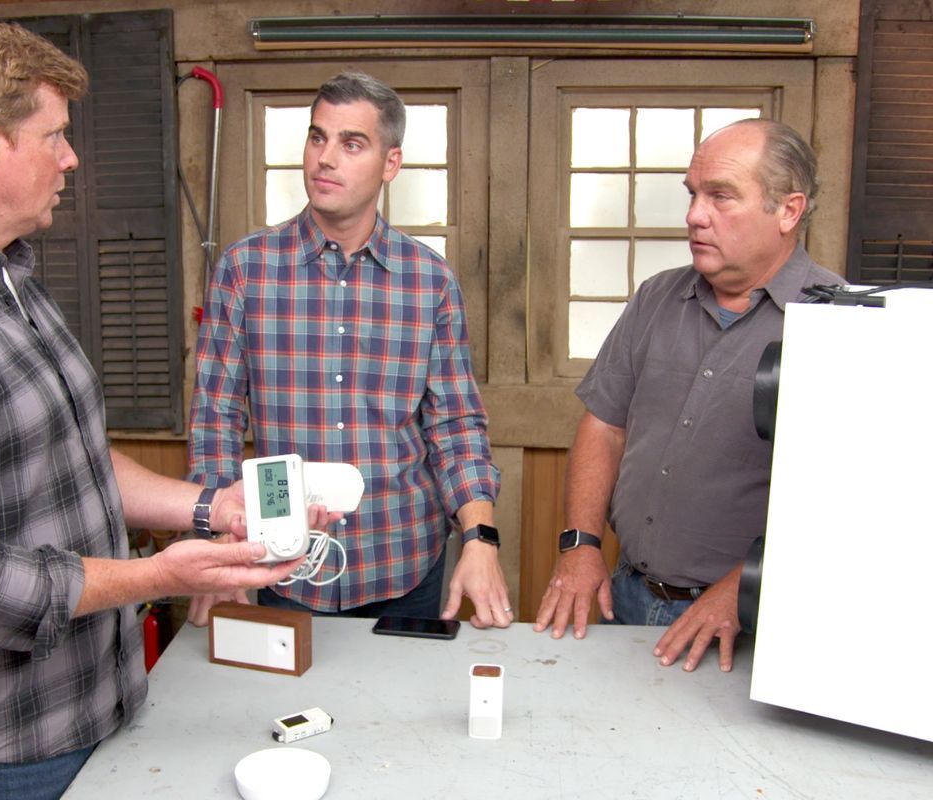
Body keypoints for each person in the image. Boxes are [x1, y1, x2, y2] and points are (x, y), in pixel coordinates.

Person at [0, 20, 329, 800]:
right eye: (54, 135)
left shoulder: (7, 277)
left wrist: (216, 510)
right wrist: (154, 577)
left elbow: (72, 462)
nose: (72, 157)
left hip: (90, 711)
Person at [186, 70, 512, 629]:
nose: (325, 158)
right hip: (281, 561)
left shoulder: (429, 281)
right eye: (318, 137)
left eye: (351, 143)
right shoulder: (244, 271)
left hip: (405, 562)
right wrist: (218, 547)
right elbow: (215, 419)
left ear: (390, 164)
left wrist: (481, 538)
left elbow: (455, 423)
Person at [533, 118, 842, 672]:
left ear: (788, 210)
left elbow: (847, 497)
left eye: (721, 196)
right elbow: (604, 424)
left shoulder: (841, 322)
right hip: (626, 593)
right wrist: (580, 544)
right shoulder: (657, 297)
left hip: (748, 623)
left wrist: (744, 588)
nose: (695, 215)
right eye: (693, 195)